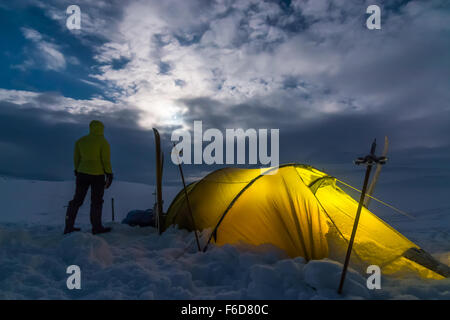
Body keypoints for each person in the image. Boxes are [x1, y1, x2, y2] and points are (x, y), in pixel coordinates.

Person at [64, 120, 114, 235]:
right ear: (101, 128)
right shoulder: (103, 142)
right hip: (98, 175)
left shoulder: (80, 141)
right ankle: (96, 228)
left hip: (82, 173)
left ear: (90, 127)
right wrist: (109, 174)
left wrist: (77, 170)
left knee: (77, 200)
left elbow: (76, 158)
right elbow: (105, 160)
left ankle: (68, 227)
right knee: (96, 202)